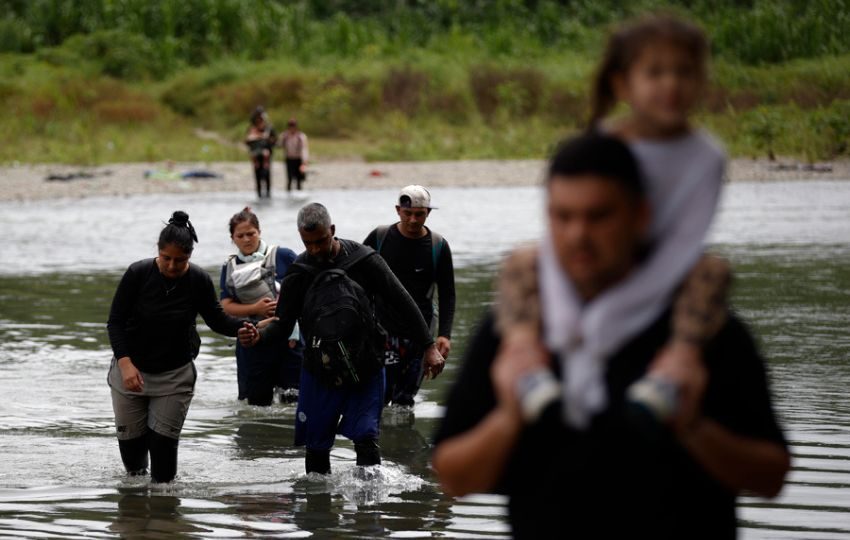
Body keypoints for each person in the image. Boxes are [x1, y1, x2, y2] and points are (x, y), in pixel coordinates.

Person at [432, 134, 790, 538]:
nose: (578, 234)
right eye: (563, 216)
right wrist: (510, 416)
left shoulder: (701, 330)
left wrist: (693, 427)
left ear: (641, 215)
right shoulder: (515, 331)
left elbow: (771, 477)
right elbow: (453, 477)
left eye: (598, 216)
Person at [239, 203, 445, 474]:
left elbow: (403, 302)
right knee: (316, 451)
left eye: (321, 241)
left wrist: (429, 347)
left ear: (332, 231)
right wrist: (258, 336)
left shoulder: (364, 260)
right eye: (308, 243)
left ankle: (369, 510)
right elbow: (282, 324)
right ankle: (317, 510)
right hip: (318, 370)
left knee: (366, 439)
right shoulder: (299, 273)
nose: (315, 249)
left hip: (366, 365)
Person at [107, 211, 250, 483]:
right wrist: (125, 364)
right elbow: (115, 323)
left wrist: (244, 328)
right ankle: (136, 521)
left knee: (164, 472)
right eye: (166, 259)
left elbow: (217, 319)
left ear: (190, 257)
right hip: (130, 372)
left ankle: (164, 519)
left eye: (181, 260)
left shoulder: (197, 280)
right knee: (134, 468)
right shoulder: (137, 274)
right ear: (157, 253)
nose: (172, 266)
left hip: (175, 376)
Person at [363, 185, 455, 407]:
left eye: (419, 214)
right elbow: (357, 278)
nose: (413, 220)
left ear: (428, 213)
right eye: (408, 213)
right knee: (380, 397)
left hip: (421, 335)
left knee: (405, 402)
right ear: (398, 210)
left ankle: (402, 439)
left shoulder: (438, 246)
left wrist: (444, 335)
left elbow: (447, 293)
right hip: (383, 331)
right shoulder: (379, 238)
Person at [219, 207, 302, 406]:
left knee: (293, 400)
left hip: (289, 339)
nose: (247, 239)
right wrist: (255, 309)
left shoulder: (283, 255)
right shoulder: (229, 267)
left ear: (259, 232)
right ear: (233, 238)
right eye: (240, 235)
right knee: (254, 403)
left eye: (251, 234)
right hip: (250, 340)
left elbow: (305, 290)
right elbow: (226, 305)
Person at [245, 106, 277, 198]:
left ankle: (268, 193)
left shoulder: (269, 129)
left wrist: (267, 139)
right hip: (256, 155)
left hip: (266, 155)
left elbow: (274, 140)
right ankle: (259, 194)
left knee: (266, 174)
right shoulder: (251, 129)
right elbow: (247, 141)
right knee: (257, 175)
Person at [280, 118, 308, 192]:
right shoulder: (284, 136)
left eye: (293, 126)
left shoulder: (301, 136)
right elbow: (280, 145)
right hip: (289, 159)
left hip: (298, 159)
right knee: (289, 178)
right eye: (290, 126)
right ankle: (288, 194)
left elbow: (304, 149)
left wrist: (304, 163)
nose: (292, 128)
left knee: (299, 180)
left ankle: (299, 194)